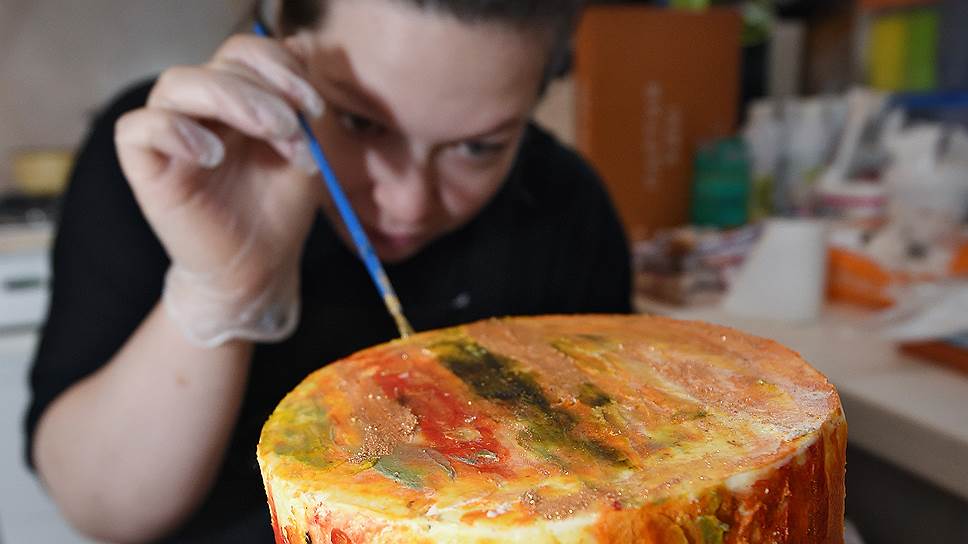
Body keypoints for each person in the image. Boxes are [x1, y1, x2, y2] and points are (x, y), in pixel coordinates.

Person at [25, 0, 631, 541]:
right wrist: (220, 292)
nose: (407, 204)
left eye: (479, 147)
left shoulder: (567, 206)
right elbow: (100, 509)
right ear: (282, 37)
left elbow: (617, 491)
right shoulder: (177, 153)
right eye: (361, 122)